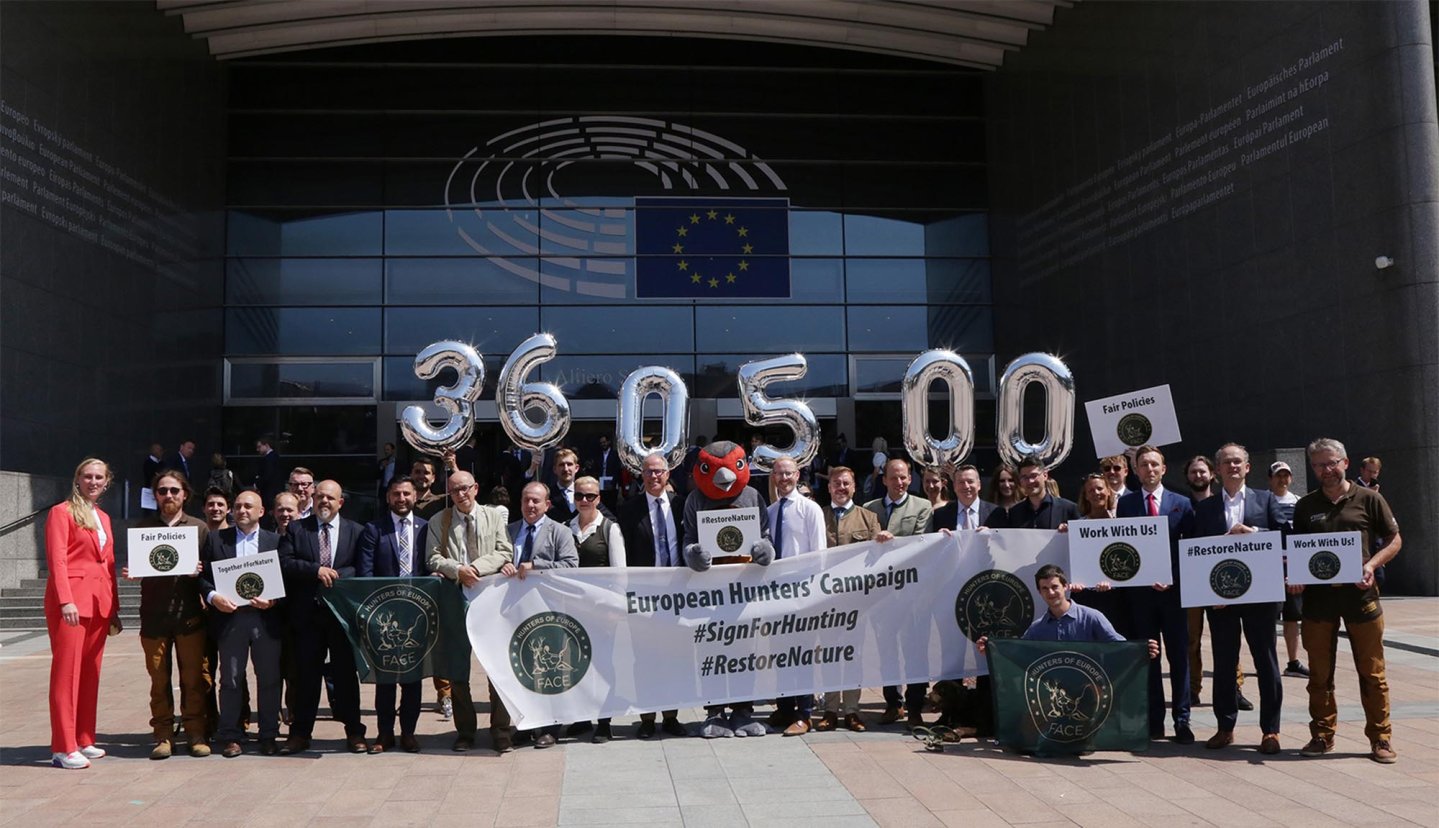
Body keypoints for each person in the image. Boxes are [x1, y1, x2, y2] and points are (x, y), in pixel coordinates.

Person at [1292, 438, 1401, 764]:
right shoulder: (1306, 506)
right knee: (1319, 675)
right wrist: (1295, 575)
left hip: (1361, 598)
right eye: (1319, 465)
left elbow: (1395, 539)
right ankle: (1322, 735)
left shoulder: (1369, 499)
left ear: (1345, 462)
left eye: (1331, 463)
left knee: (1372, 672)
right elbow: (1297, 551)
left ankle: (1380, 738)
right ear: (1312, 468)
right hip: (1318, 602)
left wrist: (1372, 564)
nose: (1326, 470)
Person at [1195, 444, 1287, 754]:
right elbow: (1197, 551)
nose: (1233, 466)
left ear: (1247, 467)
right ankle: (1225, 726)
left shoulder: (1266, 499)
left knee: (1266, 662)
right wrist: (1210, 593)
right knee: (1223, 662)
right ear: (1217, 471)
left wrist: (1255, 532)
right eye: (1226, 463)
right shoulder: (1204, 508)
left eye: (1238, 462)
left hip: (1260, 598)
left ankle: (1271, 730)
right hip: (1221, 600)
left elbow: (1283, 538)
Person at [424, 471, 512, 753]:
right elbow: (432, 557)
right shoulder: (440, 520)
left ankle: (500, 729)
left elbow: (504, 551)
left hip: (490, 599)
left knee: (496, 667)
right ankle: (465, 731)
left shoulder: (494, 516)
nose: (460, 495)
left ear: (475, 488)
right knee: (457, 668)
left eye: (465, 489)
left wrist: (477, 568)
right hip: (455, 598)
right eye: (454, 491)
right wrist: (457, 570)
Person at [277, 479, 367, 754]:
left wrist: (338, 576)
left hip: (341, 618)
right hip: (307, 616)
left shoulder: (356, 531)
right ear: (312, 500)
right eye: (320, 497)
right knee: (306, 677)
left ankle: (354, 731)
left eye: (330, 498)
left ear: (341, 502)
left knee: (345, 677)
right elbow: (284, 562)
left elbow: (361, 568)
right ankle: (300, 733)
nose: (324, 502)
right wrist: (316, 570)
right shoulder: (296, 529)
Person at [1117, 445, 1196, 744]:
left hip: (1173, 595)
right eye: (1144, 465)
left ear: (1163, 469)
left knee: (1179, 658)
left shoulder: (1182, 504)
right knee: (1148, 657)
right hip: (1141, 596)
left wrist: (1172, 578)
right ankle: (1154, 721)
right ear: (1136, 470)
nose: (1149, 469)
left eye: (1154, 465)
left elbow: (1190, 550)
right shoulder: (1126, 505)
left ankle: (1182, 720)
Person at [45, 458, 121, 769]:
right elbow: (57, 561)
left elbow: (109, 563)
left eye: (98, 477)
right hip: (72, 603)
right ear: (78, 479)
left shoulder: (102, 516)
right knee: (67, 674)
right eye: (87, 476)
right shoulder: (60, 513)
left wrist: (114, 606)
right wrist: (66, 600)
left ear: (106, 482)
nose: (93, 481)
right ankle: (63, 746)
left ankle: (84, 736)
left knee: (91, 672)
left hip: (99, 602)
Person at [131, 470, 212, 759]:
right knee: (158, 681)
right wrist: (133, 572)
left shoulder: (200, 529)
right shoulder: (142, 529)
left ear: (185, 495)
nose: (169, 496)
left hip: (189, 617)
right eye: (163, 490)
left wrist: (200, 574)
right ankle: (163, 735)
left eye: (174, 491)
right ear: (155, 495)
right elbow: (141, 568)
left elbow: (210, 573)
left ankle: (195, 733)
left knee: (194, 679)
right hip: (154, 618)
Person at [199, 489, 283, 758]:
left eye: (249, 506)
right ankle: (231, 735)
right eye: (238, 506)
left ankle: (268, 734)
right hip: (230, 618)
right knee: (231, 679)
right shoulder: (216, 539)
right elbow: (202, 577)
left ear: (261, 512)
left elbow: (286, 579)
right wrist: (213, 598)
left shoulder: (275, 541)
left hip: (265, 619)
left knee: (269, 678)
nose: (242, 510)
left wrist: (273, 602)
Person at [616, 452, 688, 738]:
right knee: (644, 659)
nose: (654, 476)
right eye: (649, 472)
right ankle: (647, 718)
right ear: (641, 475)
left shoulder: (683, 506)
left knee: (674, 657)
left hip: (678, 596)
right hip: (644, 596)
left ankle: (671, 716)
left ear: (668, 474)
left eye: (659, 471)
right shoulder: (628, 510)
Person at [357, 475, 430, 754]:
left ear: (416, 496)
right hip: (383, 616)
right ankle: (384, 733)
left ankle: (409, 732)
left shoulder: (426, 529)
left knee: (412, 677)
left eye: (407, 494)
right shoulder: (374, 530)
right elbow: (365, 573)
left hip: (414, 614)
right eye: (396, 494)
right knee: (385, 678)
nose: (402, 499)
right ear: (388, 497)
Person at [817, 466, 893, 732]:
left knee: (853, 655)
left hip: (857, 602)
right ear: (829, 487)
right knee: (828, 655)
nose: (841, 487)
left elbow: (880, 557)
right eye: (836, 483)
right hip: (825, 601)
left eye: (846, 483)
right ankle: (829, 709)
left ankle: (852, 711)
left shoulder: (868, 518)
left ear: (854, 487)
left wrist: (885, 540)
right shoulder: (819, 516)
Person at [507, 482, 580, 747]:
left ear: (547, 504)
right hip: (516, 613)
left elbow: (572, 565)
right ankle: (526, 724)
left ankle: (550, 727)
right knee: (522, 671)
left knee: (549, 671)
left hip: (549, 612)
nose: (530, 505)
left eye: (536, 501)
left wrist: (536, 565)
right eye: (526, 500)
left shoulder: (560, 531)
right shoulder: (510, 530)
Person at [865, 458, 933, 727]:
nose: (900, 482)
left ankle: (915, 706)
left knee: (915, 651)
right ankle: (893, 703)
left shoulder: (922, 506)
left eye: (904, 477)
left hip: (913, 594)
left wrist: (892, 544)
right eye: (894, 478)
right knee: (886, 650)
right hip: (882, 596)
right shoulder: (869, 509)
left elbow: (921, 544)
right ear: (884, 480)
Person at [765, 456, 828, 735]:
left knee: (801, 655)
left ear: (798, 474)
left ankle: (804, 713)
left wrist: (812, 594)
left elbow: (819, 554)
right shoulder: (769, 511)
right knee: (780, 654)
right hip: (776, 595)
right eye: (779, 474)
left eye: (788, 473)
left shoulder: (810, 509)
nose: (784, 478)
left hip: (802, 593)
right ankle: (785, 708)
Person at [566, 476, 625, 743]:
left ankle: (604, 721)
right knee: (578, 665)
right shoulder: (566, 528)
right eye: (580, 496)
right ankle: (581, 717)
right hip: (575, 610)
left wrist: (614, 609)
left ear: (599, 498)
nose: (585, 500)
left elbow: (620, 574)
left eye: (590, 496)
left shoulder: (610, 529)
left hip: (602, 611)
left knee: (605, 666)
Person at [1269, 461, 1308, 677]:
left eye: (1286, 475)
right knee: (1269, 617)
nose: (1282, 479)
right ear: (1270, 478)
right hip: (1271, 569)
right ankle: (1270, 661)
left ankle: (1293, 661)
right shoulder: (1264, 501)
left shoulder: (1300, 503)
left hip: (1293, 567)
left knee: (1293, 616)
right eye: (1278, 475)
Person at [983, 455, 1078, 530]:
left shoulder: (1068, 509)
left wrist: (1071, 532)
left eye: (1034, 475)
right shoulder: (1014, 513)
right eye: (1025, 477)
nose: (1030, 481)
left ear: (1045, 475)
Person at [932, 464, 996, 531]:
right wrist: (939, 537)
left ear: (979, 485)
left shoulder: (995, 513)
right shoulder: (940, 514)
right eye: (961, 482)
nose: (966, 486)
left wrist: (992, 534)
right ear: (954, 486)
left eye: (970, 481)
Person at [254, 435, 285, 507]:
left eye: (259, 447)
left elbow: (267, 475)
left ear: (266, 445)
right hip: (274, 491)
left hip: (270, 493)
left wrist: (257, 484)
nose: (257, 450)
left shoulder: (269, 459)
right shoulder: (274, 457)